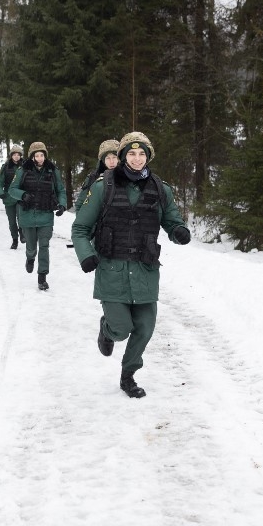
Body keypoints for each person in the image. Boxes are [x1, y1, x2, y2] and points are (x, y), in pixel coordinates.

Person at [70, 131, 191, 398]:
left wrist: (179, 230)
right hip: (112, 269)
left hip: (145, 269)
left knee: (145, 327)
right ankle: (107, 330)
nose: (137, 159)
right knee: (121, 328)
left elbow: (172, 220)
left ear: (148, 157)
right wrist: (85, 254)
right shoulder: (103, 187)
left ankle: (128, 375)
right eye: (132, 154)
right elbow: (80, 228)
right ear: (123, 156)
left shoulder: (161, 189)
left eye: (142, 154)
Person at [6, 141, 67, 291]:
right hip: (27, 216)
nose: (40, 158)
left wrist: (62, 204)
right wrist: (23, 194)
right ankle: (30, 257)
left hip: (46, 215)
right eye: (37, 155)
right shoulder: (22, 170)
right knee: (32, 246)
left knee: (44, 246)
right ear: (32, 157)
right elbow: (12, 190)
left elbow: (60, 190)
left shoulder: (53, 171)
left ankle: (42, 277)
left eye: (42, 155)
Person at [74, 139, 120, 211]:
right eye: (108, 158)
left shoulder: (128, 175)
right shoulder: (93, 177)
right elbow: (80, 204)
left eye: (114, 157)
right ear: (103, 160)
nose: (111, 161)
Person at [0, 144, 26, 249]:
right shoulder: (6, 167)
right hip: (8, 197)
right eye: (14, 154)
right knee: (12, 222)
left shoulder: (25, 167)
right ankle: (15, 240)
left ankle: (22, 233)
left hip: (20, 196)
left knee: (21, 217)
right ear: (11, 155)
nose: (16, 156)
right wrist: (0, 193)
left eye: (18, 154)